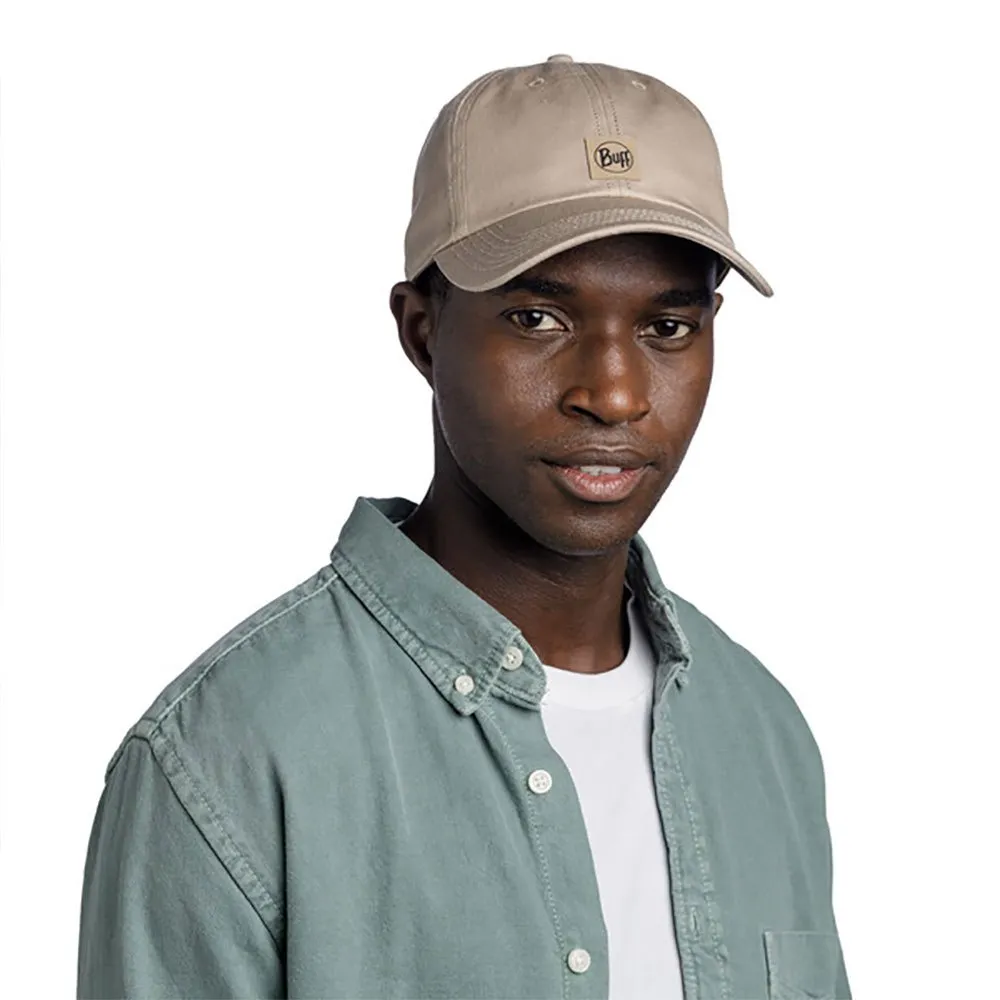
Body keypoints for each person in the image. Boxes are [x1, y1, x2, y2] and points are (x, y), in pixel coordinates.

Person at [77, 54, 851, 1000]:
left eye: (667, 329)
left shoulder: (763, 733)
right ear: (422, 331)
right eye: (537, 318)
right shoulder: (228, 757)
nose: (613, 393)